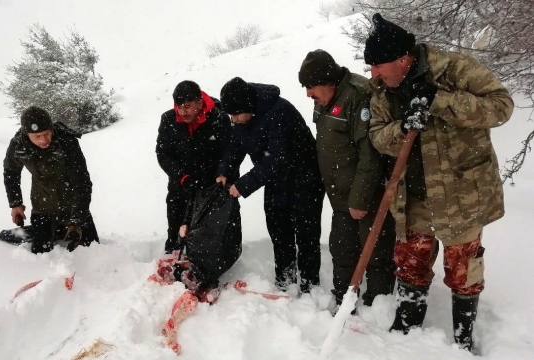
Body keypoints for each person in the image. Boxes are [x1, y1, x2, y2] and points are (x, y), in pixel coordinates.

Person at [363, 13, 514, 352]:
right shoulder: (382, 90)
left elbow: (501, 107)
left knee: (463, 271)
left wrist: (440, 101)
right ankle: (407, 329)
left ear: (403, 58)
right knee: (410, 265)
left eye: (378, 66)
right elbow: (376, 136)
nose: (373, 74)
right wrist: (402, 128)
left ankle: (463, 338)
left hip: (462, 196)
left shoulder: (455, 70)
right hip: (413, 197)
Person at [298, 49, 396, 310]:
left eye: (311, 86)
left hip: (366, 194)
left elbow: (370, 154)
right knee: (342, 250)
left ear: (328, 81)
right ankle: (344, 300)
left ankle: (378, 307)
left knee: (375, 253)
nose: (308, 93)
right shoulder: (324, 99)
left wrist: (360, 199)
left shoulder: (359, 96)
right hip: (340, 194)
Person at [217, 77, 326, 293]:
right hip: (275, 181)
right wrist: (224, 172)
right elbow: (235, 145)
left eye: (236, 114)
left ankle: (309, 285)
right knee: (279, 231)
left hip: (305, 179)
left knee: (306, 236)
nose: (234, 119)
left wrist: (243, 185)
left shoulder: (279, 112)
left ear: (247, 106)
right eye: (231, 115)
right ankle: (285, 279)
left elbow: (277, 158)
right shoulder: (242, 118)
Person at [3, 106, 99, 254]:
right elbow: (11, 173)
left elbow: (82, 184)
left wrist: (76, 222)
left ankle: (63, 228)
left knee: (92, 250)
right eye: (37, 136)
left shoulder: (67, 142)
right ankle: (50, 230)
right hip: (42, 207)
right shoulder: (18, 145)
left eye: (47, 133)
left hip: (73, 206)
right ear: (26, 134)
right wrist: (15, 204)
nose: (44, 140)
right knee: (41, 252)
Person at [156, 80, 236, 253]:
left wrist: (222, 178)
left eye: (187, 106)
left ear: (199, 103)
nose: (182, 112)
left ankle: (206, 267)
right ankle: (174, 259)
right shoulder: (168, 120)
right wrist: (182, 177)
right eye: (179, 106)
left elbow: (229, 152)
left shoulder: (218, 119)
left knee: (208, 233)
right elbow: (163, 154)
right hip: (181, 184)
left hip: (211, 186)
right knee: (177, 227)